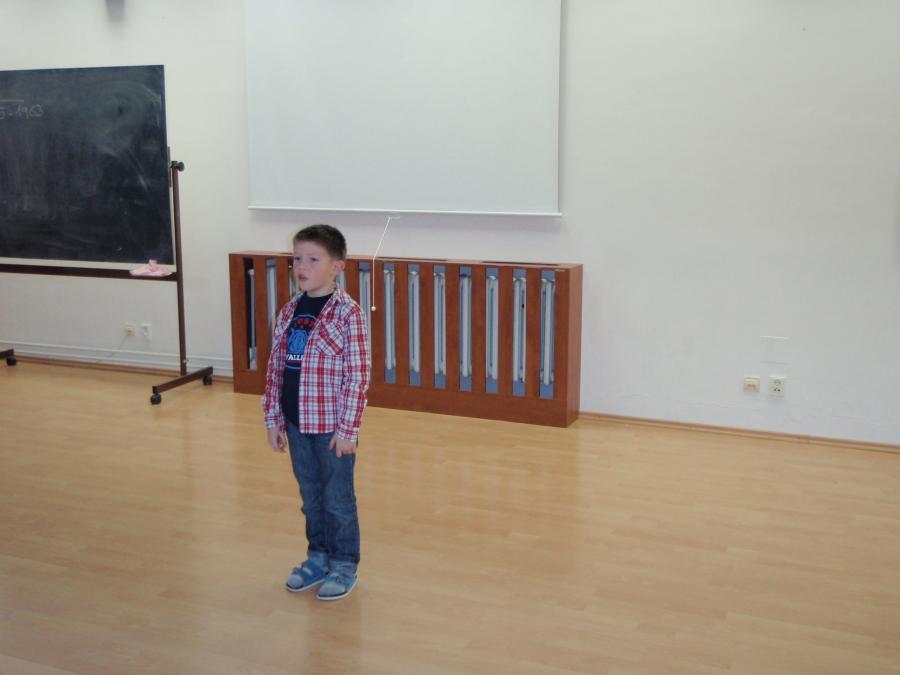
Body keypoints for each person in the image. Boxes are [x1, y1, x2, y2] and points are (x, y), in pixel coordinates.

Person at [262, 224, 370, 601]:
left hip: (331, 428)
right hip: (296, 423)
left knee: (337, 500)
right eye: (297, 259)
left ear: (337, 267)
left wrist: (348, 430)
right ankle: (318, 557)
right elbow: (276, 369)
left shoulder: (348, 314)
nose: (302, 267)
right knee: (310, 497)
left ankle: (343, 564)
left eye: (312, 259)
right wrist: (274, 419)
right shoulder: (289, 310)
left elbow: (357, 375)